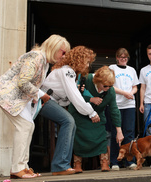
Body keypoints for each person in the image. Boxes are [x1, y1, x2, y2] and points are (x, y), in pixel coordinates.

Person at [0, 34, 70, 179]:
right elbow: (23, 82)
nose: (64, 56)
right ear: (54, 47)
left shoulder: (43, 61)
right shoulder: (36, 57)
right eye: (63, 52)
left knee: (28, 126)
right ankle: (18, 168)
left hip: (18, 97)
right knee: (25, 126)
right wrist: (40, 94)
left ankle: (23, 167)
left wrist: (35, 97)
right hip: (8, 95)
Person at [39, 46, 100, 175]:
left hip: (47, 100)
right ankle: (60, 165)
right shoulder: (68, 72)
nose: (88, 65)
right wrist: (92, 112)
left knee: (69, 122)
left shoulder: (68, 71)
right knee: (68, 121)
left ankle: (61, 165)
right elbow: (75, 97)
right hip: (44, 100)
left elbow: (68, 98)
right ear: (80, 59)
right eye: (87, 61)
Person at [68, 66, 124, 173]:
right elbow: (74, 95)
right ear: (98, 80)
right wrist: (90, 99)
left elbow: (114, 110)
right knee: (79, 136)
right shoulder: (85, 79)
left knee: (102, 135)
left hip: (97, 116)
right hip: (79, 114)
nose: (107, 88)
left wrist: (119, 131)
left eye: (110, 86)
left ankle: (104, 161)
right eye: (105, 85)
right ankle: (77, 163)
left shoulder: (110, 91)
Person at [109, 48, 139, 170]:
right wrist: (124, 93)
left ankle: (129, 160)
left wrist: (130, 93)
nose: (123, 59)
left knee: (129, 133)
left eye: (125, 57)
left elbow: (135, 87)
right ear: (117, 58)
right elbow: (110, 85)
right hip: (116, 104)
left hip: (129, 105)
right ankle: (115, 161)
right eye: (121, 57)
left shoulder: (131, 70)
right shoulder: (112, 68)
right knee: (115, 133)